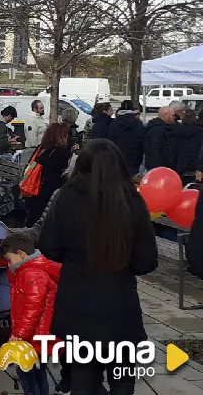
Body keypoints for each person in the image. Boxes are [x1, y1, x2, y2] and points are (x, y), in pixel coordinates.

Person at [38, 139, 158, 395]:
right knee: (123, 377)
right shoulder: (132, 201)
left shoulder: (66, 196)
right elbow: (147, 260)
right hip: (120, 304)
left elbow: (49, 245)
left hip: (78, 303)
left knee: (83, 375)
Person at [0, 232, 61, 395]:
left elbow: (34, 306)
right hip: (39, 335)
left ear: (21, 254)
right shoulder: (34, 269)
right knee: (39, 373)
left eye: (9, 260)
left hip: (32, 337)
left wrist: (20, 333)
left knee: (26, 374)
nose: (8, 265)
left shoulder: (31, 273)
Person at [23, 123, 72, 228]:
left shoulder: (40, 148)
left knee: (33, 218)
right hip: (49, 191)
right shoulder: (60, 152)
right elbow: (61, 173)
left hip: (35, 188)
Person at [108, 100, 145, 176]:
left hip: (118, 157)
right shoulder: (139, 124)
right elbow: (143, 141)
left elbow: (111, 141)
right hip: (135, 158)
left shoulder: (114, 123)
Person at [174, 110, 203, 184]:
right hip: (196, 166)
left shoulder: (176, 132)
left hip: (181, 166)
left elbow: (173, 150)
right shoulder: (200, 132)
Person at [144, 106, 177, 170]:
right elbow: (155, 151)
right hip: (159, 167)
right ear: (166, 115)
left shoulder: (166, 128)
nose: (174, 117)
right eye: (173, 115)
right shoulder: (157, 131)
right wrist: (161, 168)